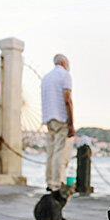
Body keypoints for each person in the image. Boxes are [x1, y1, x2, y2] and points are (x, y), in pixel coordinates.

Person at [40, 54, 75, 191]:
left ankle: (50, 182)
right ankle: (58, 183)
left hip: (48, 118)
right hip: (61, 117)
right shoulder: (65, 75)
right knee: (61, 152)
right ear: (64, 62)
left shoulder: (46, 78)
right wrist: (71, 122)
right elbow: (67, 100)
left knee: (51, 153)